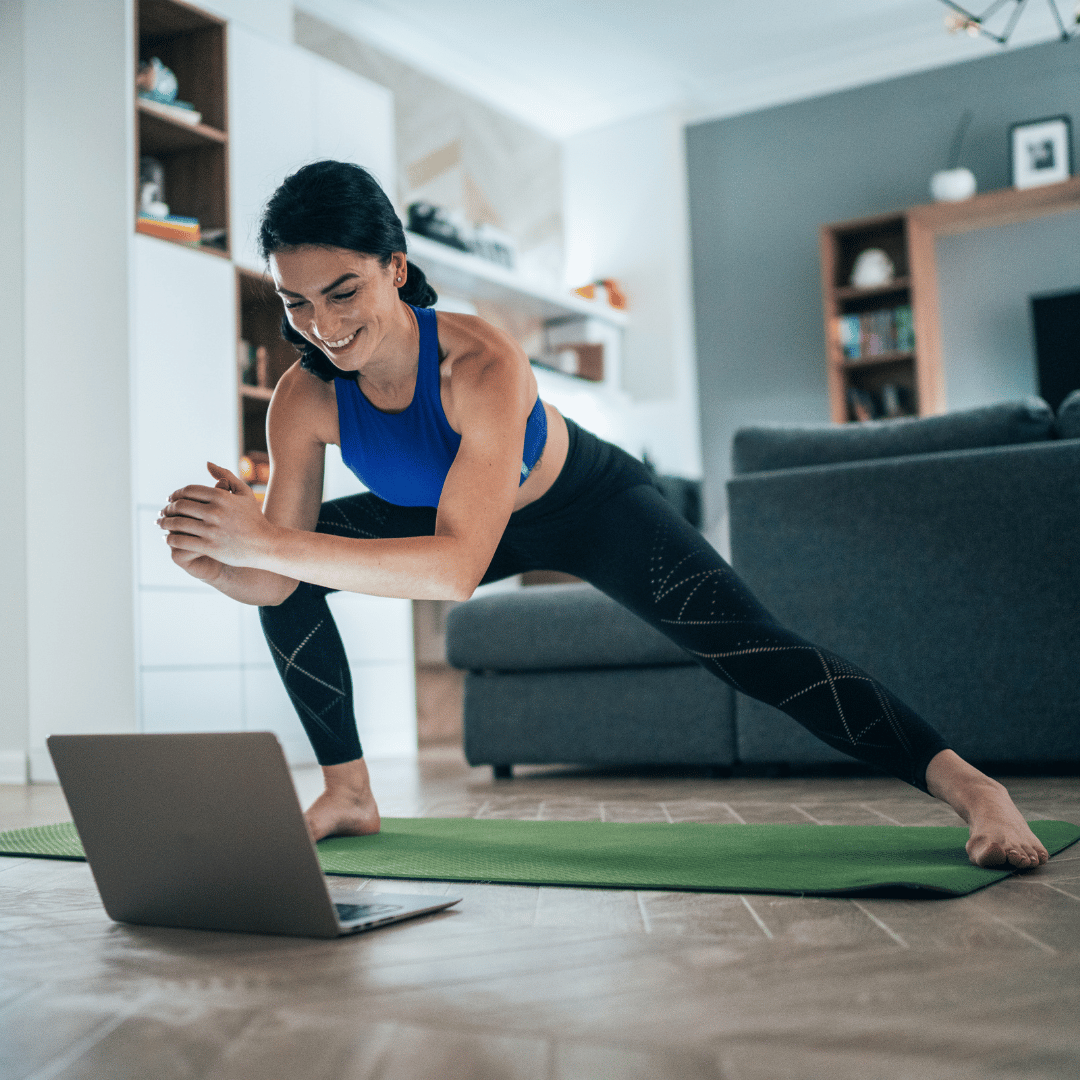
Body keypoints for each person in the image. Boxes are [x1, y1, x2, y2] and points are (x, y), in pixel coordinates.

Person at [157, 160, 1047, 870]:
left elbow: (457, 569)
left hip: (585, 504)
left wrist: (272, 543)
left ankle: (975, 791)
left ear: (395, 268)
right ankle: (348, 791)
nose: (319, 323)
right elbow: (282, 575)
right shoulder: (301, 398)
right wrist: (231, 563)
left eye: (342, 291)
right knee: (290, 587)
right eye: (294, 301)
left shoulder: (480, 364)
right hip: (451, 522)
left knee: (753, 649)